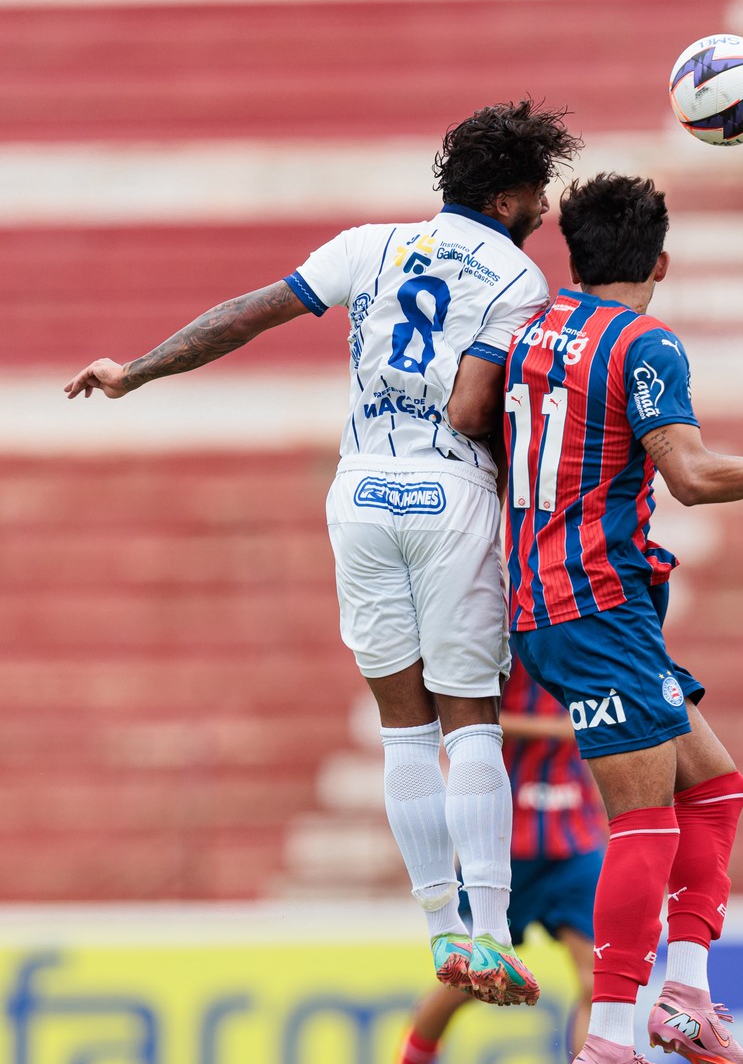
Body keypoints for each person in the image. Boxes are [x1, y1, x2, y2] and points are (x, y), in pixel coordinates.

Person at [63, 100, 582, 1008]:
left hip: (361, 494)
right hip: (449, 491)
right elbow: (470, 408)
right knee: (472, 722)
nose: (542, 209)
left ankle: (438, 934)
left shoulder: (368, 245)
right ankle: (493, 934)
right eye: (536, 193)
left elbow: (246, 315)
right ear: (507, 197)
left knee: (402, 725)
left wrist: (134, 370)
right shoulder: (520, 281)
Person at [503, 173, 743, 1064]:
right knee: (643, 823)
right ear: (659, 263)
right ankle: (612, 1046)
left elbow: (472, 422)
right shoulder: (645, 341)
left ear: (572, 256)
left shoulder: (530, 329)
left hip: (568, 599)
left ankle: (688, 996)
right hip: (593, 602)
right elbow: (694, 476)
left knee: (715, 785)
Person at [362, 657, 664, 1064]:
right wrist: (570, 726)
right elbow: (458, 716)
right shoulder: (499, 630)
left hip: (573, 841)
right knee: (462, 985)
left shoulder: (582, 630)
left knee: (601, 984)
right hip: (501, 843)